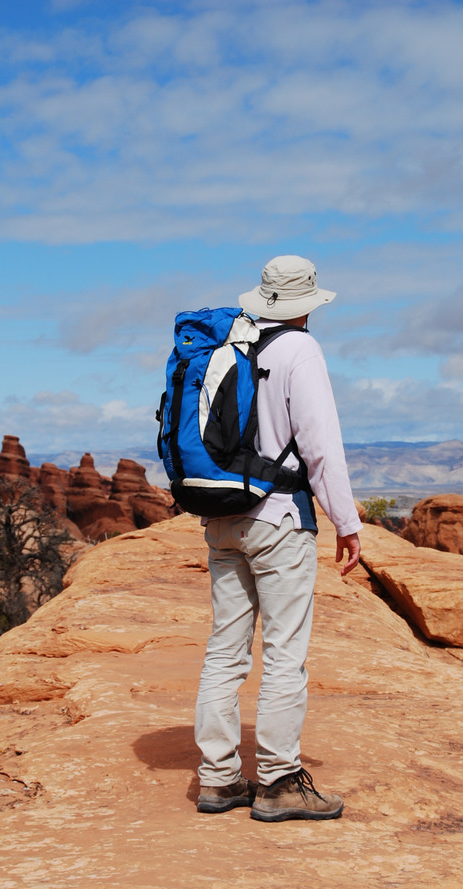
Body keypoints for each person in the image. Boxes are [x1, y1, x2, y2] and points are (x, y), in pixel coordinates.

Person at [195, 255, 362, 822]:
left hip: (222, 518)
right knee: (284, 653)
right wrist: (347, 520)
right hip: (278, 520)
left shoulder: (231, 345)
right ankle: (277, 782)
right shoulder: (300, 350)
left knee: (225, 652)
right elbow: (320, 445)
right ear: (309, 303)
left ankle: (218, 780)